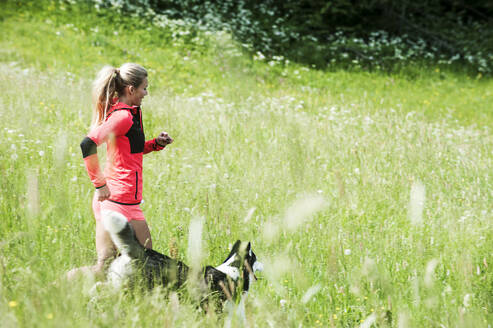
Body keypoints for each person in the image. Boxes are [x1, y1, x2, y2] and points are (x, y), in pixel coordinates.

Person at [76, 63, 173, 277]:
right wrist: (99, 184)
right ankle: (56, 289)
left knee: (146, 263)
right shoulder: (122, 117)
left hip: (130, 203)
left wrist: (156, 144)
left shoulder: (131, 114)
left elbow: (131, 152)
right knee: (104, 267)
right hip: (114, 201)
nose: (146, 93)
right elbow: (87, 144)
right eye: (144, 88)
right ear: (131, 90)